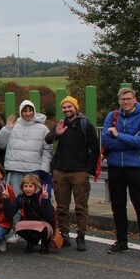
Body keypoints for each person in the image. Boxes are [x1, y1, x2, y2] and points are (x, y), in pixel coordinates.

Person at [102, 88, 140, 259]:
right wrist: (128, 139)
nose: (125, 102)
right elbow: (106, 141)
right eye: (122, 99)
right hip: (115, 166)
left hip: (135, 167)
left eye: (128, 99)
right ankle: (121, 241)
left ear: (135, 99)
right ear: (119, 101)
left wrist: (118, 135)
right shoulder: (112, 117)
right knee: (117, 205)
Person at [45, 95, 100, 251]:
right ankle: (65, 234)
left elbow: (95, 149)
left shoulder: (85, 125)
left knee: (81, 207)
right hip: (60, 170)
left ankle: (81, 236)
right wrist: (58, 133)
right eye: (64, 107)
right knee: (62, 207)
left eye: (70, 107)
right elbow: (48, 139)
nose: (67, 110)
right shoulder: (60, 123)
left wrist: (88, 170)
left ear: (76, 107)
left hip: (79, 172)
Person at [0, 100, 52, 244]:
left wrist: (44, 169)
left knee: (35, 204)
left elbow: (47, 150)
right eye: (25, 111)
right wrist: (7, 128)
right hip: (14, 170)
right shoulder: (13, 126)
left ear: (34, 111)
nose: (28, 113)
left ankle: (38, 231)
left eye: (30, 110)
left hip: (33, 171)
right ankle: (18, 231)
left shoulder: (43, 129)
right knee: (15, 203)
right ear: (21, 111)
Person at [6, 174, 55, 254]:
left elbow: (49, 218)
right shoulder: (21, 197)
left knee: (45, 229)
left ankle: (45, 243)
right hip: (28, 223)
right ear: (22, 187)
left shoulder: (42, 197)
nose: (28, 189)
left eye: (30, 186)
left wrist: (46, 200)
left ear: (36, 187)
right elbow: (9, 214)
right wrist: (6, 200)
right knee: (18, 227)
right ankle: (31, 242)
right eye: (25, 186)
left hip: (44, 224)